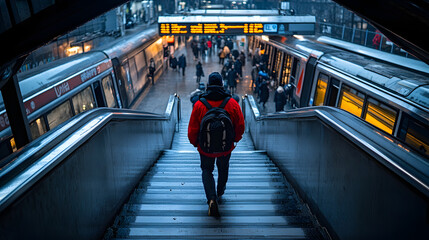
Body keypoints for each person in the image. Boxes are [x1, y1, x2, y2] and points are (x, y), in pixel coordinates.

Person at [188, 72, 245, 217]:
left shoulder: (200, 104)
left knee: (207, 170)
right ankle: (220, 191)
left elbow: (192, 129)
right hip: (225, 147)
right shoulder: (232, 103)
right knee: (223, 168)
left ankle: (211, 199)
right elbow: (240, 126)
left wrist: (196, 143)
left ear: (208, 85)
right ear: (222, 85)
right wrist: (235, 140)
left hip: (205, 148)